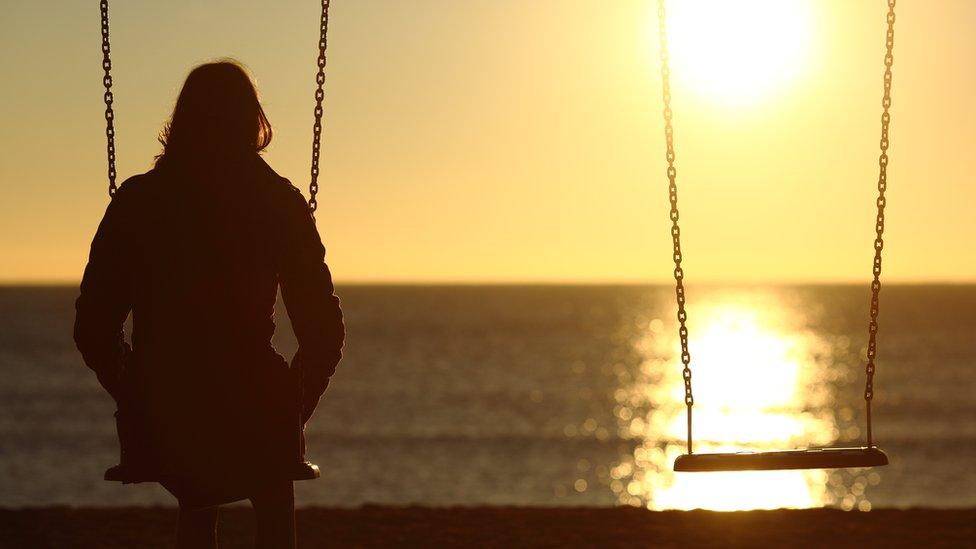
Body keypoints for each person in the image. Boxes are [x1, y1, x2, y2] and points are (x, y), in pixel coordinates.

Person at [74, 60, 345, 549]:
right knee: (271, 486)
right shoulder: (277, 203)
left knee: (196, 491)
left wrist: (136, 392)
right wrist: (293, 408)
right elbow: (323, 333)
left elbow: (93, 328)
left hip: (167, 409)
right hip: (254, 408)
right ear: (252, 122)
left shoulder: (140, 201)